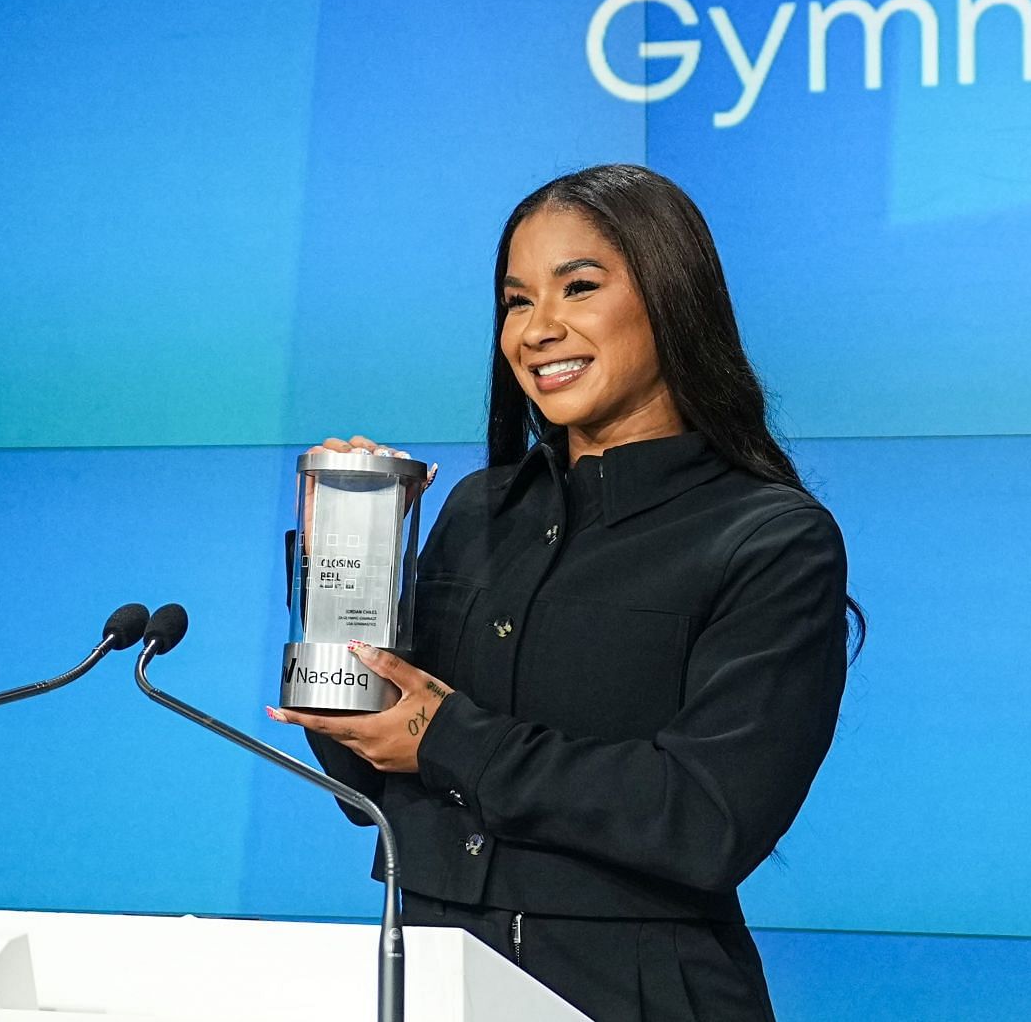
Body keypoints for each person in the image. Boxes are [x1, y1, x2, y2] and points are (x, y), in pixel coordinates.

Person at [269, 163, 863, 1021]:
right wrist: (343, 566)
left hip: (635, 991)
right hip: (435, 973)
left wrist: (449, 738)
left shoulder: (771, 538)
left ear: (671, 296)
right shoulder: (477, 509)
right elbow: (370, 772)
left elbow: (707, 818)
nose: (537, 329)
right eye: (516, 301)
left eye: (577, 287)